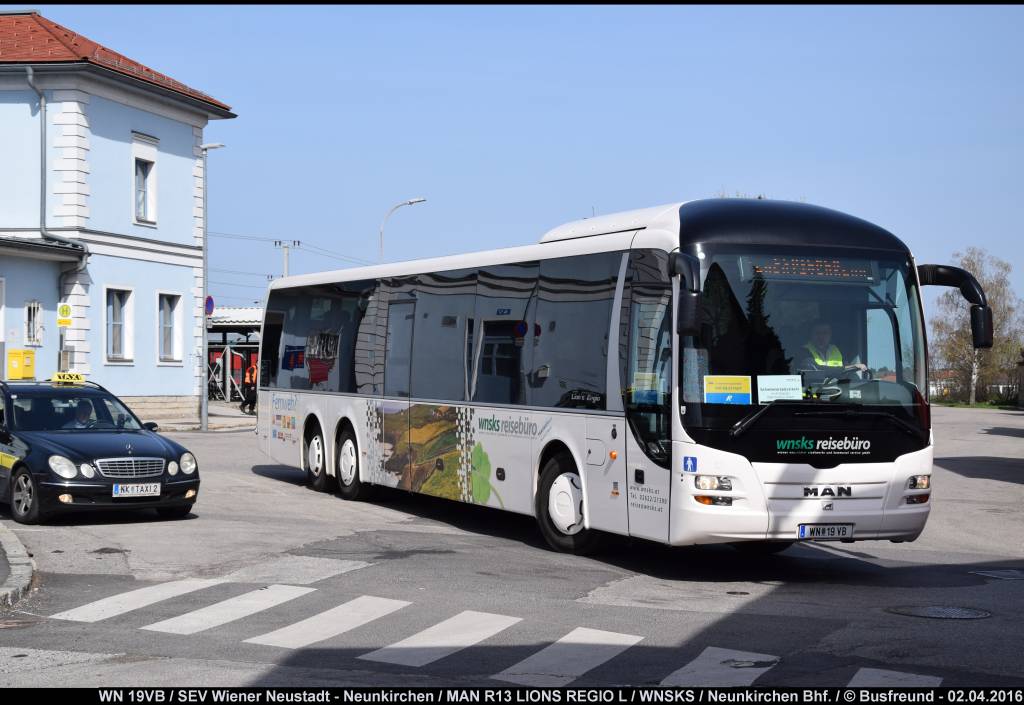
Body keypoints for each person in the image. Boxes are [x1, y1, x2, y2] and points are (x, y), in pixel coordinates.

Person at [799, 320, 867, 373]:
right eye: (817, 333)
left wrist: (854, 367)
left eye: (825, 333)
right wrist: (849, 367)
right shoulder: (804, 351)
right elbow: (818, 370)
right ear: (811, 335)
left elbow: (847, 370)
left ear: (830, 335)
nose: (821, 337)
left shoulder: (837, 350)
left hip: (839, 390)